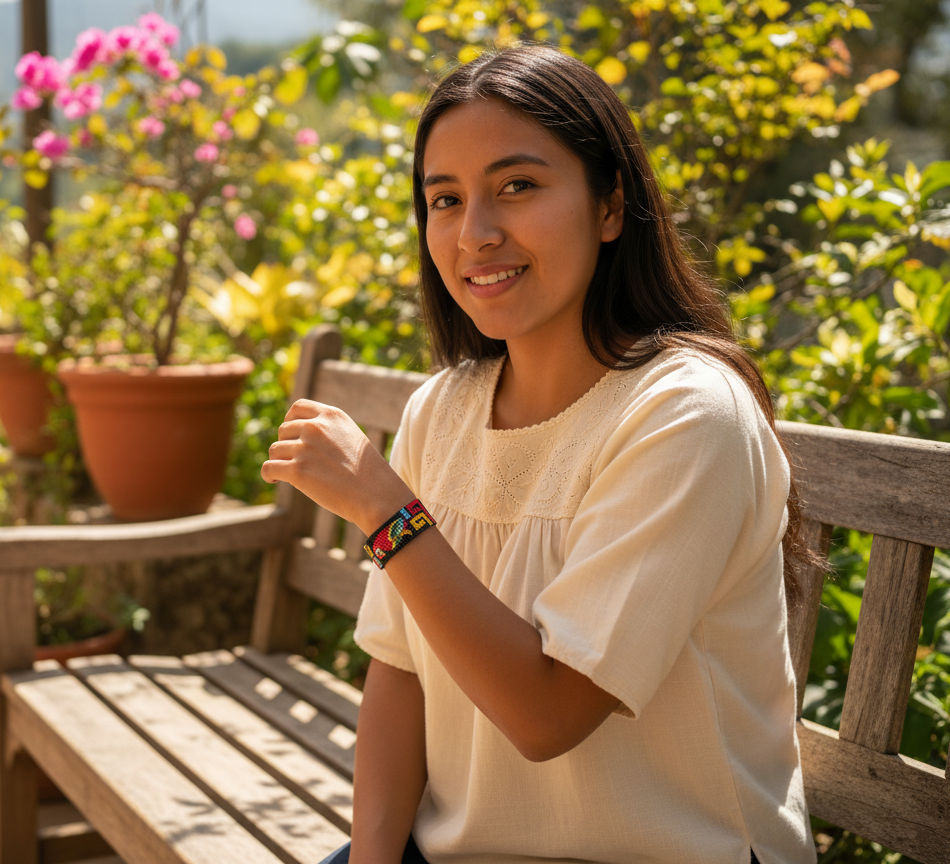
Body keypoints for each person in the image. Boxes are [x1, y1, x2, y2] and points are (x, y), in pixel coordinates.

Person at [261, 44, 818, 864]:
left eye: (517, 186)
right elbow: (399, 673)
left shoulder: (685, 415)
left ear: (609, 206)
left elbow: (548, 715)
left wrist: (385, 510)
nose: (475, 233)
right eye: (444, 199)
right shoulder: (441, 410)